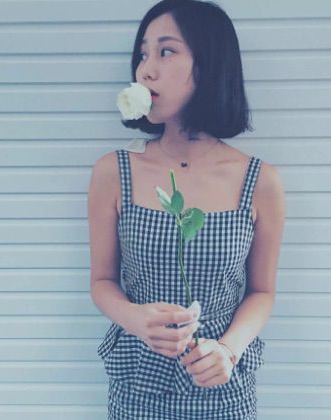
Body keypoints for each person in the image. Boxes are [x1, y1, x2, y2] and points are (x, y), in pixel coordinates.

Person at [88, 0, 285, 418]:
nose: (146, 70)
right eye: (142, 54)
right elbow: (102, 281)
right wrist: (135, 319)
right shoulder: (113, 172)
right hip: (139, 384)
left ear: (210, 63)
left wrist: (229, 349)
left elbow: (262, 292)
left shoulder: (260, 180)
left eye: (166, 51)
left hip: (223, 388)